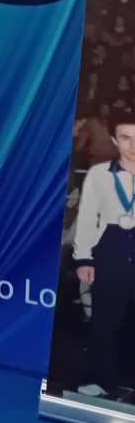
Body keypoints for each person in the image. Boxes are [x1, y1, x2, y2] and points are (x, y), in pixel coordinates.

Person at [74, 117, 135, 399]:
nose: (132, 145)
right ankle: (101, 380)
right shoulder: (99, 173)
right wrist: (83, 258)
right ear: (113, 140)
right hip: (111, 247)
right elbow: (87, 216)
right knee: (104, 320)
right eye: (125, 138)